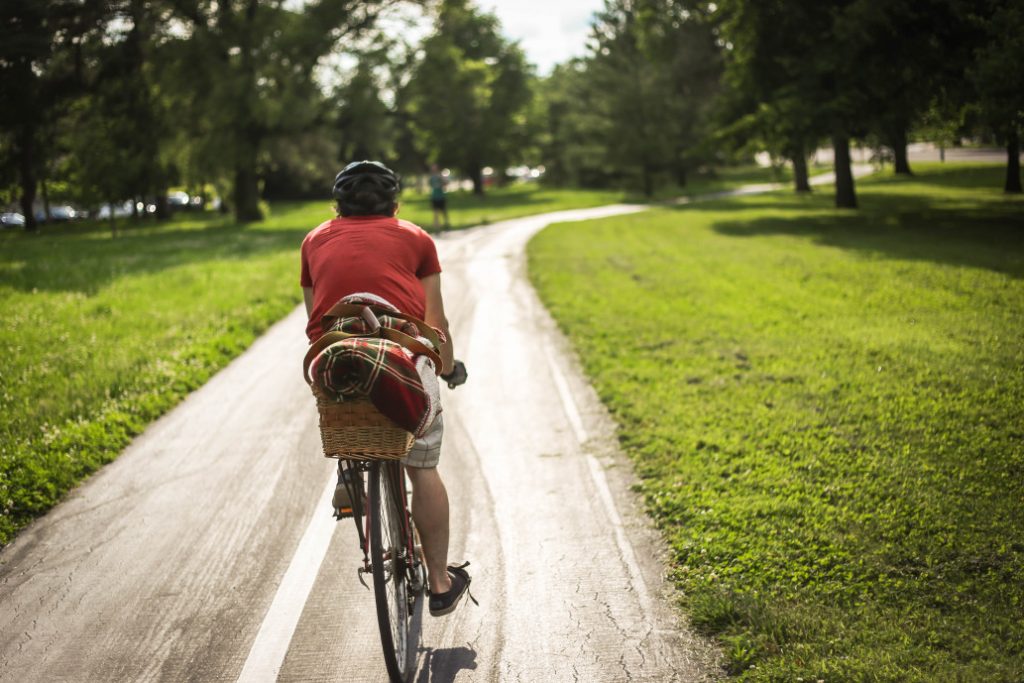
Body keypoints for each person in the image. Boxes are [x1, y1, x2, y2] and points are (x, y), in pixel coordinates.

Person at [300, 159, 471, 617]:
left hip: (340, 363)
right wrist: (449, 367)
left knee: (354, 421)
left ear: (338, 206)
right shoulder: (416, 238)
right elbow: (435, 323)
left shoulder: (314, 241)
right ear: (395, 203)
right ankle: (438, 583)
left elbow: (316, 323)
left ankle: (353, 475)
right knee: (422, 464)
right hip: (404, 364)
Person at [428, 163, 450, 231]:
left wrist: (441, 178)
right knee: (435, 213)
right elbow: (430, 185)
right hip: (434, 196)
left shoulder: (440, 175)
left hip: (441, 196)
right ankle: (437, 227)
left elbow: (446, 183)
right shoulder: (431, 177)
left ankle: (447, 224)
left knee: (444, 211)